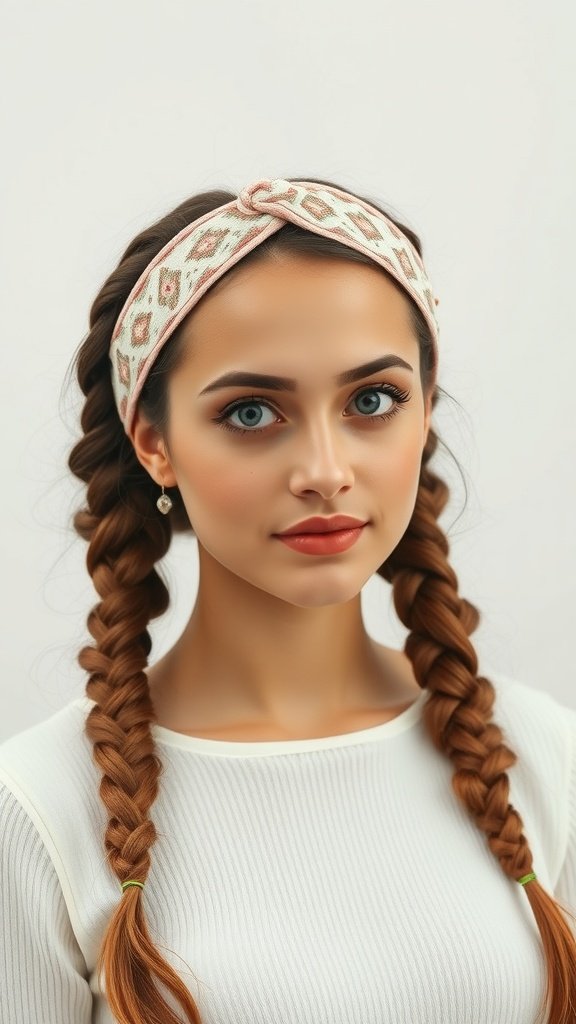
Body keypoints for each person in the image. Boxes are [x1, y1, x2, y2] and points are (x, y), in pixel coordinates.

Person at [0, 176, 575, 1024]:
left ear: (424, 415)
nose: (325, 471)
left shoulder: (540, 754)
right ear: (155, 444)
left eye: (372, 401)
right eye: (252, 411)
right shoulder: (42, 808)